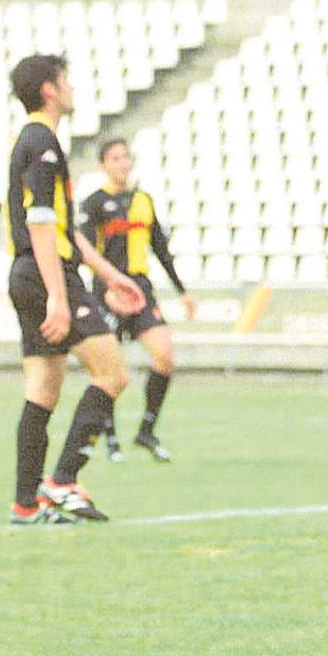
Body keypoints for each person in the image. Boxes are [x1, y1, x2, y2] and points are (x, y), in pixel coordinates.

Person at [4, 54, 146, 524]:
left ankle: (26, 504)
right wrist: (59, 297)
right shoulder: (41, 141)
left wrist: (111, 275)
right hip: (47, 274)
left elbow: (63, 228)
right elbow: (41, 224)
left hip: (28, 273)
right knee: (112, 374)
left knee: (43, 388)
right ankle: (63, 479)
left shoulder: (33, 140)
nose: (71, 88)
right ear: (49, 89)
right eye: (65, 80)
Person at [79, 138, 196, 463]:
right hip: (108, 290)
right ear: (103, 164)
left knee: (165, 355)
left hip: (140, 289)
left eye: (126, 157)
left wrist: (182, 291)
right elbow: (86, 251)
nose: (122, 163)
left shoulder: (143, 200)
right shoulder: (93, 203)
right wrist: (106, 288)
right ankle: (110, 437)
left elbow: (160, 247)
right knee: (109, 368)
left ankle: (147, 429)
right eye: (115, 158)